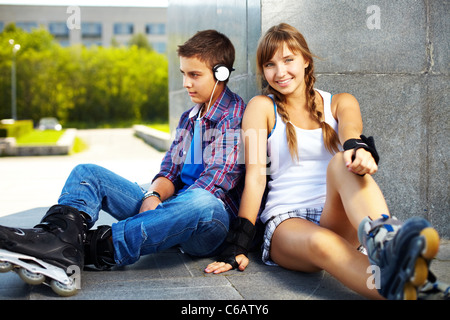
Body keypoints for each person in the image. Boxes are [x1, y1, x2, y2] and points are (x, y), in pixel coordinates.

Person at [205, 23, 441, 300]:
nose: (280, 72)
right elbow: (256, 177)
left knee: (343, 161)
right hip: (288, 224)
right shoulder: (261, 107)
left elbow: (351, 132)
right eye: (270, 64)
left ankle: (390, 246)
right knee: (325, 243)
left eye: (288, 60)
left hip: (339, 215)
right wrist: (239, 242)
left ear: (306, 60)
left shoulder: (340, 102)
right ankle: (410, 289)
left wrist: (360, 151)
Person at [0, 30, 246, 294]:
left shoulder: (233, 114)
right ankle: (55, 237)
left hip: (207, 225)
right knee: (87, 172)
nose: (186, 83)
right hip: (169, 210)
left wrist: (163, 210)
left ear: (221, 73)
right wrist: (152, 195)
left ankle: (91, 248)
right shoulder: (190, 117)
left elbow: (214, 183)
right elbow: (170, 170)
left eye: (194, 75)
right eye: (184, 74)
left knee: (202, 201)